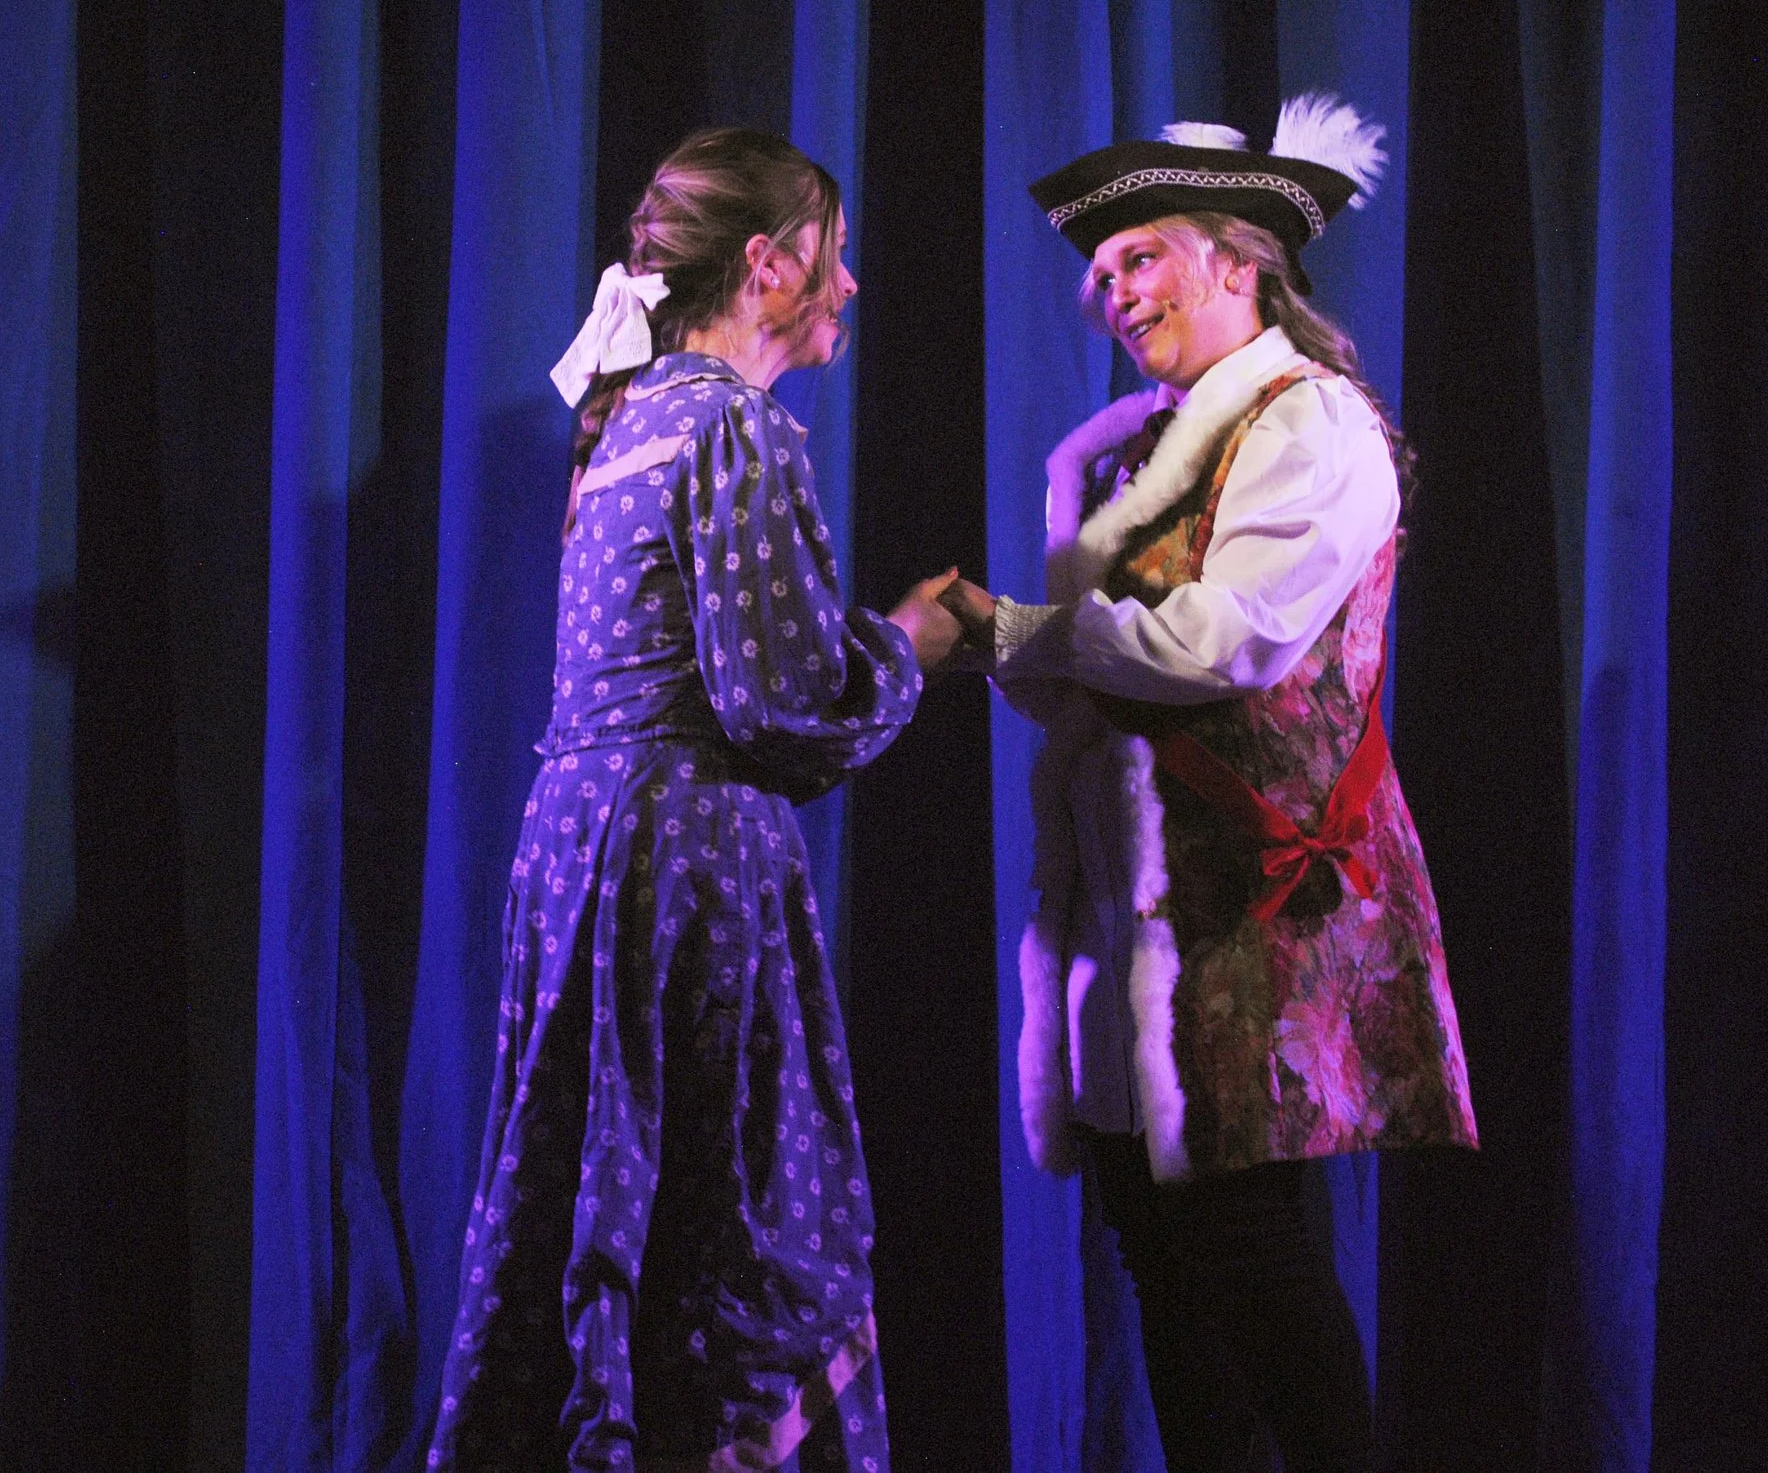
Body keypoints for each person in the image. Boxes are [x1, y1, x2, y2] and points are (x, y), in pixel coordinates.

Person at [949, 97, 1478, 1471]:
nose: (1119, 294)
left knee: (1248, 1256)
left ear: (1238, 262)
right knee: (1165, 1258)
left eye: (1145, 259)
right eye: (1107, 274)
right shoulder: (1143, 451)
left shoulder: (1311, 428)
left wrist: (1010, 630)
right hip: (1144, 915)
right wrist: (1013, 645)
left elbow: (1223, 640)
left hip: (1256, 905)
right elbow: (1087, 677)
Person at [427, 128, 963, 1473]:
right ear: (772, 265)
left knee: (608, 1198)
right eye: (833, 260)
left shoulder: (627, 424)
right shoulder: (729, 423)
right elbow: (782, 703)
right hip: (683, 865)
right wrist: (908, 642)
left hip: (582, 850)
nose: (851, 287)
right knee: (728, 1220)